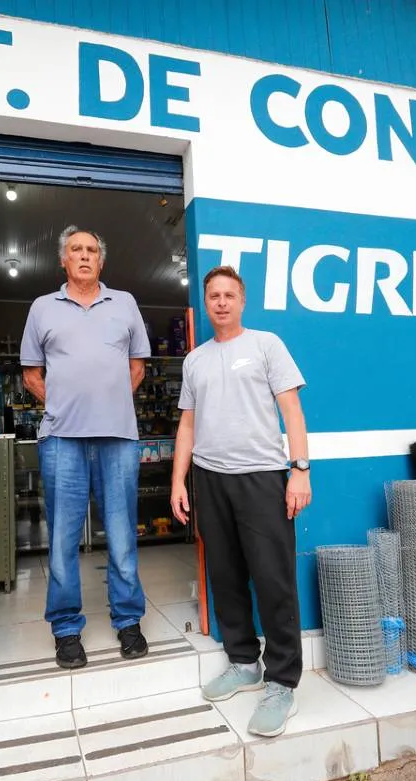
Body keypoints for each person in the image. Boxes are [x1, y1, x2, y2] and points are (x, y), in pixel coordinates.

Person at [170, 265, 311, 738]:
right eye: (214, 295)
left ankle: (283, 682)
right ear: (206, 303)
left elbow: (292, 409)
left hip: (263, 479)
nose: (222, 302)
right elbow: (187, 425)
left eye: (230, 294)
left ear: (242, 301)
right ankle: (243, 662)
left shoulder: (266, 345)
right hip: (210, 480)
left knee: (273, 580)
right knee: (226, 577)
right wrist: (179, 481)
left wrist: (299, 470)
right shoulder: (195, 360)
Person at [20, 225, 150, 669]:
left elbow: (137, 367)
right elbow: (31, 374)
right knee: (62, 540)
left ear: (101, 260)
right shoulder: (42, 308)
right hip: (61, 440)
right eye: (76, 249)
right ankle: (65, 629)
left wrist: (107, 403)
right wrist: (63, 405)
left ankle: (128, 621)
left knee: (120, 535)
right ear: (63, 260)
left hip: (118, 438)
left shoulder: (126, 303)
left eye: (92, 250)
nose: (84, 256)